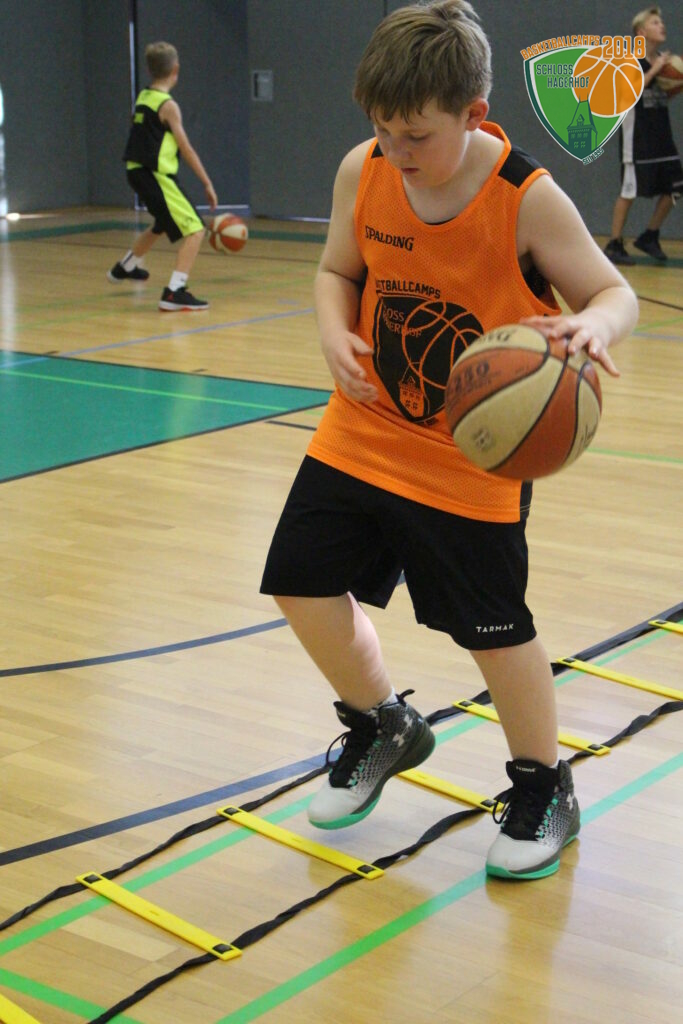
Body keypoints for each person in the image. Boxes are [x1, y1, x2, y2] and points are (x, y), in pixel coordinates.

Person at [261, 0, 638, 880]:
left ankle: (543, 786)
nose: (396, 150)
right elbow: (336, 269)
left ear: (473, 114)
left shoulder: (524, 198)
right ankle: (381, 724)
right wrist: (332, 331)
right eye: (382, 129)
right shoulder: (363, 169)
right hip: (361, 427)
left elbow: (612, 292)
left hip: (473, 457)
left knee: (494, 632)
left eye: (416, 135)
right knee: (300, 584)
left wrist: (593, 328)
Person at [108, 41, 217, 311]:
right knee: (196, 229)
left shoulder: (144, 96)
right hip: (154, 175)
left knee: (162, 223)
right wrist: (207, 182)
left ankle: (125, 267)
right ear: (176, 69)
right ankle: (174, 292)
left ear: (149, 70)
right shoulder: (168, 106)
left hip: (135, 171)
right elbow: (185, 148)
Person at [604, 6, 682, 265]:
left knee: (676, 188)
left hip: (661, 136)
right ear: (641, 32)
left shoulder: (663, 62)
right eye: (655, 22)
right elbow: (628, 94)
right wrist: (654, 70)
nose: (662, 26)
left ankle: (650, 235)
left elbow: (656, 97)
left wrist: (673, 84)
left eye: (662, 22)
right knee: (629, 191)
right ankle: (614, 243)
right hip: (637, 139)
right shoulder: (630, 60)